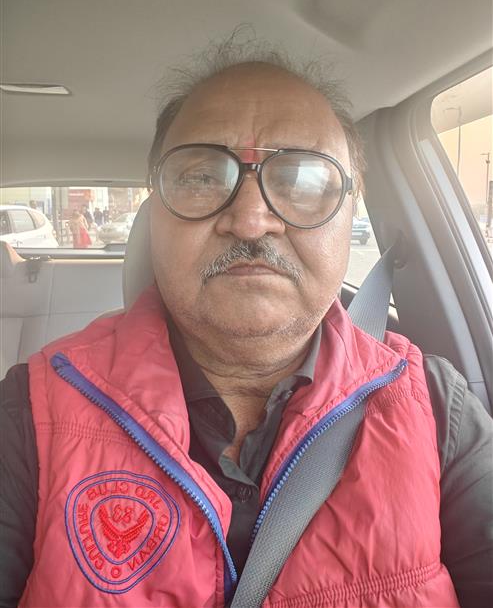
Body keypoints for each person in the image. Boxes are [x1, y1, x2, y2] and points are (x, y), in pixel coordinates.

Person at [1, 41, 492, 608]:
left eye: (304, 181)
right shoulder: (31, 412)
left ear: (351, 213)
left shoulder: (435, 407)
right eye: (202, 178)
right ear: (154, 216)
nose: (251, 219)